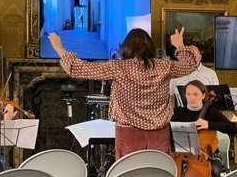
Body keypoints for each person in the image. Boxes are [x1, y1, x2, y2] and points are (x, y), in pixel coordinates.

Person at [49, 28, 201, 159]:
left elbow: (77, 69)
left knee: (128, 176)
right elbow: (191, 64)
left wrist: (58, 47)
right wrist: (179, 45)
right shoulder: (165, 66)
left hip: (128, 135)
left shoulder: (118, 67)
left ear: (126, 47)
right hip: (159, 134)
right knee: (157, 174)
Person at [171, 80, 236, 174]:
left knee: (215, 170)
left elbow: (232, 127)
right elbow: (168, 131)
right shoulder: (178, 112)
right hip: (182, 153)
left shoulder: (211, 112)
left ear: (203, 95)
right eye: (188, 94)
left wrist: (209, 124)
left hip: (208, 155)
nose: (191, 97)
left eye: (195, 94)